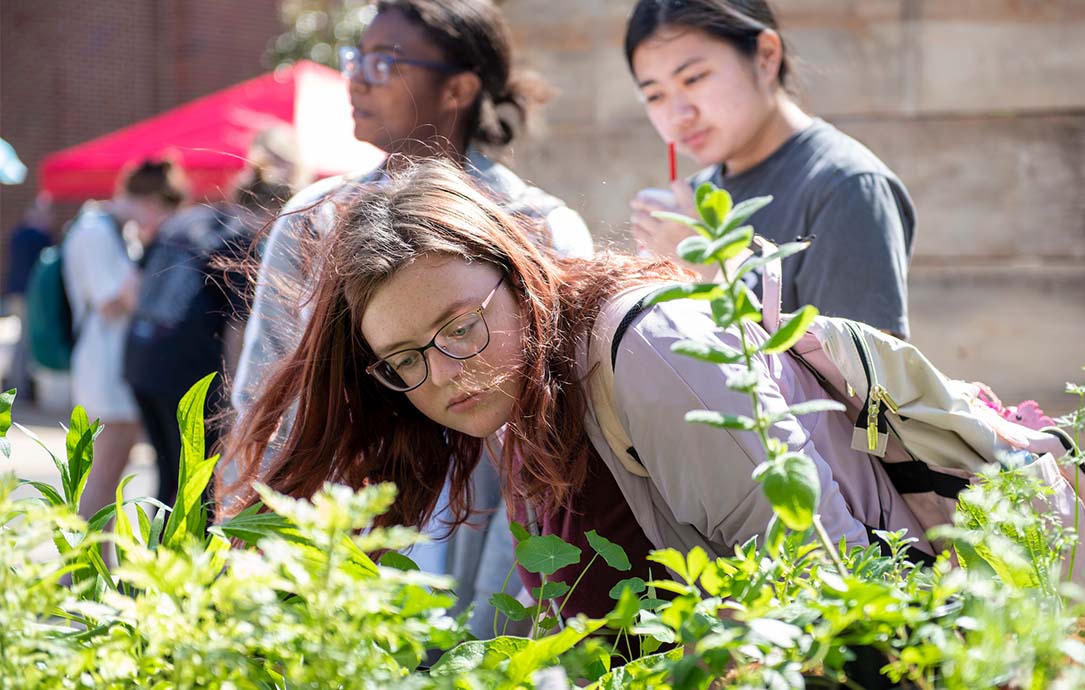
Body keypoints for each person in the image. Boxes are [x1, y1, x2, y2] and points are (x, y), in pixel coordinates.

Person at [222, 160, 933, 624]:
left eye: (459, 326)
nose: (443, 374)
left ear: (520, 271)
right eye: (404, 359)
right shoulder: (510, 399)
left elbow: (835, 588)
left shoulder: (653, 357)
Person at [229, 0, 592, 636]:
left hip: (489, 549)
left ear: (458, 87)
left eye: (383, 60)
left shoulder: (536, 224)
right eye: (354, 57)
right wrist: (250, 541)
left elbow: (557, 433)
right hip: (342, 535)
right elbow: (265, 398)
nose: (357, 77)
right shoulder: (317, 214)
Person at [625, 0, 916, 339]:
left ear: (765, 57)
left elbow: (863, 381)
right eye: (655, 96)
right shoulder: (697, 197)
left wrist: (713, 275)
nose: (679, 114)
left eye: (693, 78)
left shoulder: (846, 186)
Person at [123, 168, 290, 512]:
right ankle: (185, 563)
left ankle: (159, 559)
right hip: (189, 374)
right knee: (200, 483)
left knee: (170, 474)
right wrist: (236, 397)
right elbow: (238, 326)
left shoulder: (188, 218)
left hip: (141, 358)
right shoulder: (242, 237)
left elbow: (136, 286)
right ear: (274, 211)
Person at [63, 158, 189, 522]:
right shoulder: (95, 231)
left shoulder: (117, 230)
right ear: (152, 202)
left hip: (117, 368)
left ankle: (95, 567)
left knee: (109, 480)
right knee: (103, 479)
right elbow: (114, 302)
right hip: (104, 369)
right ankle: (82, 575)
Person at [3, 194, 55, 398]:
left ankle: (16, 385)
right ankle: (17, 388)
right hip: (28, 295)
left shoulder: (17, 234)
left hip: (14, 292)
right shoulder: (38, 238)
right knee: (24, 343)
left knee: (20, 340)